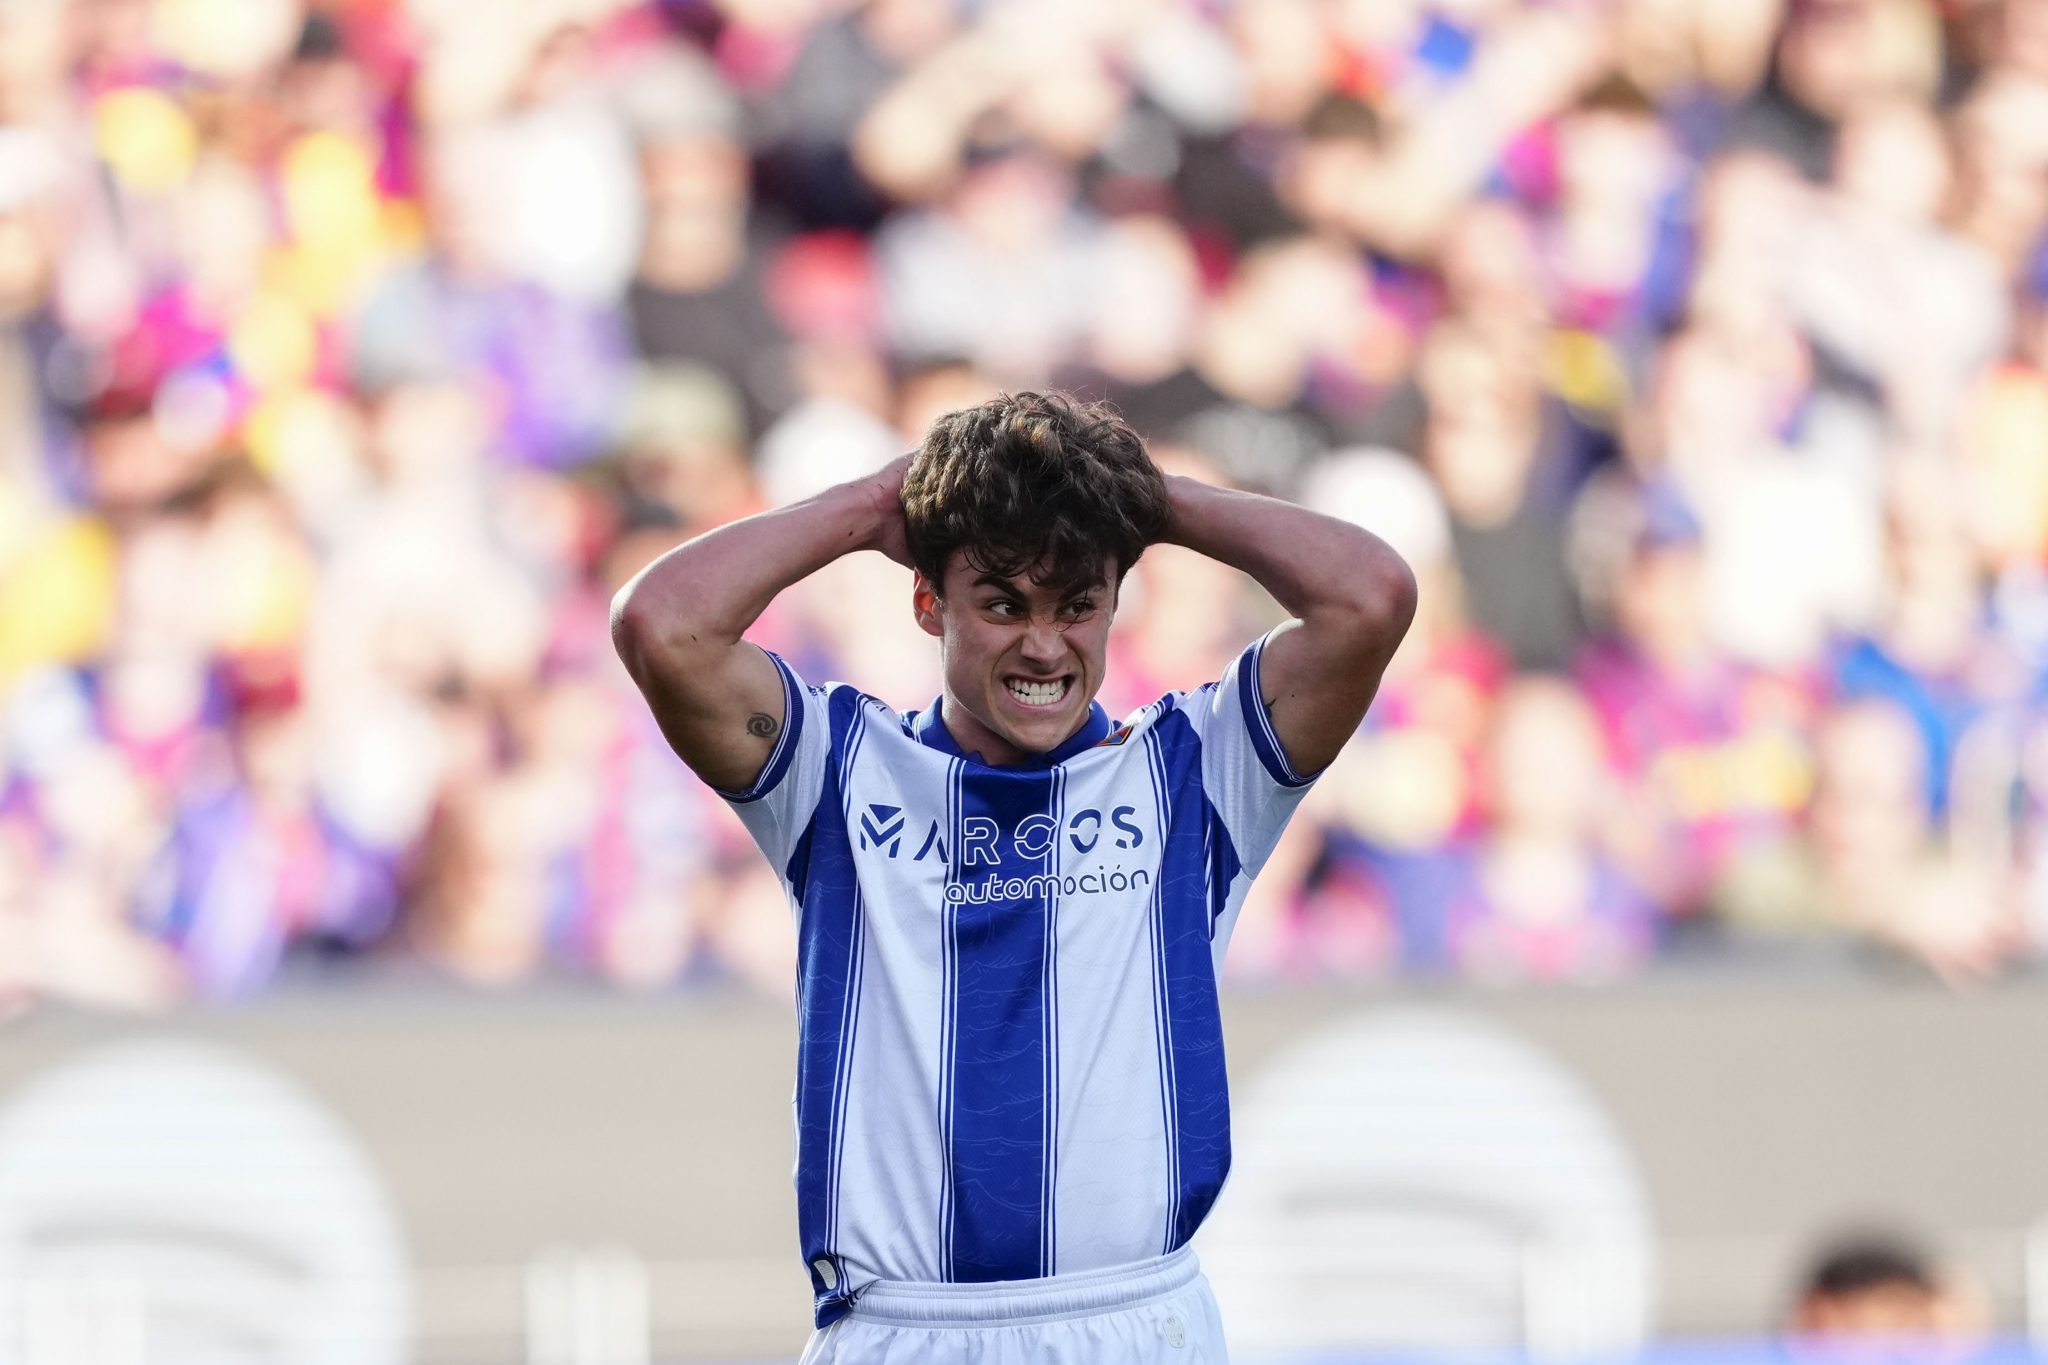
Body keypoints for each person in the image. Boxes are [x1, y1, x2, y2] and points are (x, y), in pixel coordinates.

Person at [611, 391, 1414, 1361]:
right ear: (928, 602)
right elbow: (663, 624)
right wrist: (872, 503)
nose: (1043, 645)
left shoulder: (1193, 769)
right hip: (907, 1331)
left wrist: (1144, 500)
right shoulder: (837, 767)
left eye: (1077, 604)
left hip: (1136, 1323)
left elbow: (1370, 595)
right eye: (1001, 604)